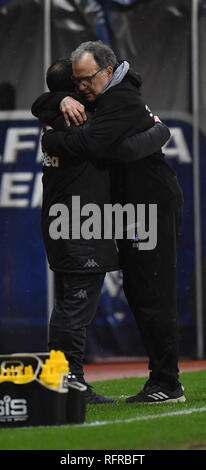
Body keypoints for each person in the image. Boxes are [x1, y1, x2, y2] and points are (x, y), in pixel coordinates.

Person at [41, 41, 185, 403]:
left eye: (86, 81)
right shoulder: (91, 101)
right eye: (74, 86)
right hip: (100, 216)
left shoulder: (119, 100)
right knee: (117, 294)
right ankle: (68, 380)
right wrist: (57, 102)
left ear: (108, 72)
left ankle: (166, 381)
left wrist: (55, 139)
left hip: (143, 208)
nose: (81, 89)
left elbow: (102, 147)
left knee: (149, 292)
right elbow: (44, 103)